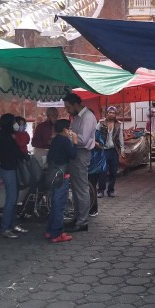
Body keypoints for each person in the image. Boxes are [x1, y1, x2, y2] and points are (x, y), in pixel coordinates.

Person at [0, 113, 30, 238]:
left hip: (10, 168)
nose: (16, 124)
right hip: (8, 169)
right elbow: (16, 152)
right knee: (11, 199)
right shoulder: (5, 137)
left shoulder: (3, 135)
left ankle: (13, 224)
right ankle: (5, 227)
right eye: (14, 121)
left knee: (14, 198)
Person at [63, 93, 97, 233]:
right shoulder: (76, 117)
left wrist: (67, 135)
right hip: (75, 153)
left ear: (76, 104)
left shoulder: (88, 117)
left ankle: (82, 221)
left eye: (68, 107)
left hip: (82, 154)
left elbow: (82, 140)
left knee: (81, 189)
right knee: (76, 189)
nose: (67, 110)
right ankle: (77, 217)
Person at [43, 119, 75, 244]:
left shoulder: (55, 140)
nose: (70, 131)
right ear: (65, 130)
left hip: (53, 174)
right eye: (69, 128)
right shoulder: (65, 141)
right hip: (63, 175)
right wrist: (75, 143)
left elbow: (50, 157)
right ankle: (57, 234)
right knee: (59, 205)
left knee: (55, 203)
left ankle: (50, 230)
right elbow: (73, 155)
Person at [96, 106, 124, 198]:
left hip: (114, 150)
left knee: (113, 171)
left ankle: (111, 190)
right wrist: (97, 144)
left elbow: (120, 137)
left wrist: (122, 149)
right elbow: (95, 133)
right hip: (103, 150)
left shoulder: (118, 124)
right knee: (102, 171)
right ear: (107, 113)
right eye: (110, 112)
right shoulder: (101, 123)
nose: (111, 114)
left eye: (113, 113)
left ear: (115, 114)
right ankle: (101, 190)